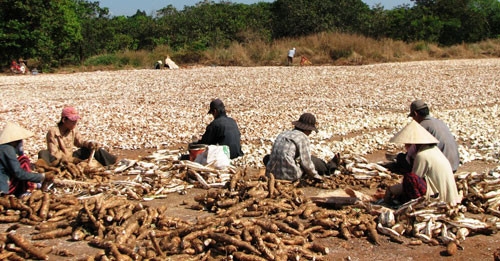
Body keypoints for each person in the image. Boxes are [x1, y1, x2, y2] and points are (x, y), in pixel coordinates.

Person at [385, 120, 461, 206]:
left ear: (413, 144)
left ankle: (415, 205)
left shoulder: (422, 155)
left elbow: (414, 179)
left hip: (440, 198)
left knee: (409, 178)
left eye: (407, 144)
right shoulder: (434, 150)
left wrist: (391, 189)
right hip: (449, 195)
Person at [392, 100, 460, 173]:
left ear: (415, 114)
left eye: (413, 116)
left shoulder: (421, 126)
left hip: (441, 169)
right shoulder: (440, 122)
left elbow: (414, 152)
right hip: (454, 165)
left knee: (401, 158)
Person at [38, 106, 117, 167]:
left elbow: (80, 142)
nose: (75, 123)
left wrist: (89, 144)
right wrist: (72, 160)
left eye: (76, 121)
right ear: (64, 120)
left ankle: (112, 162)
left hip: (70, 156)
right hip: (59, 160)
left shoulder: (73, 129)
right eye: (72, 121)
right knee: (43, 153)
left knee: (92, 149)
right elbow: (54, 153)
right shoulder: (53, 131)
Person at [264, 113, 325, 182]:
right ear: (307, 129)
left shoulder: (283, 134)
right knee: (312, 160)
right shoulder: (302, 137)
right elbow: (307, 163)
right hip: (290, 176)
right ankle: (330, 168)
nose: (310, 133)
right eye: (310, 131)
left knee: (267, 157)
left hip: (272, 173)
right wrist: (316, 176)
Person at [0, 122, 53, 197]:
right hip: (2, 186)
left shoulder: (3, 147)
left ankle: (29, 186)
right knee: (23, 161)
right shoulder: (8, 149)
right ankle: (21, 191)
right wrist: (41, 176)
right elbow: (19, 173)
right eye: (20, 141)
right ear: (14, 141)